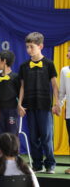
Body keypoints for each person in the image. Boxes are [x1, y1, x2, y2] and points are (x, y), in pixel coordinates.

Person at [18, 32, 58, 174]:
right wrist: (20, 104)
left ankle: (50, 164)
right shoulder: (24, 66)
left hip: (45, 106)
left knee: (46, 137)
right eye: (27, 47)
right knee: (33, 137)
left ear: (40, 46)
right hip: (30, 106)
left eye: (31, 47)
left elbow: (54, 85)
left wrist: (57, 103)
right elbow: (22, 86)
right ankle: (37, 164)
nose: (29, 50)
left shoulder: (48, 64)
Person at [0, 50, 20, 136]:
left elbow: (21, 94)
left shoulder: (16, 77)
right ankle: (0, 150)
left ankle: (13, 150)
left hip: (12, 111)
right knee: (0, 135)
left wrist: (21, 106)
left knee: (12, 135)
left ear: (4, 61)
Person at [57, 45, 70, 175]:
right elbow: (62, 92)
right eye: (68, 51)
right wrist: (59, 105)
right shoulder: (64, 70)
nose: (68, 53)